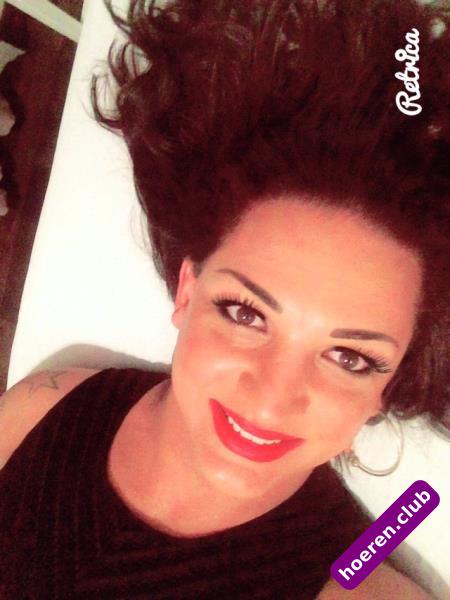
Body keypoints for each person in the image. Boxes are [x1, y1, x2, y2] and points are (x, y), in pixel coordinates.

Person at [0, 0, 448, 597]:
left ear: (387, 390)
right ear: (188, 290)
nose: (271, 397)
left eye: (350, 357)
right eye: (246, 313)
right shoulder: (45, 404)